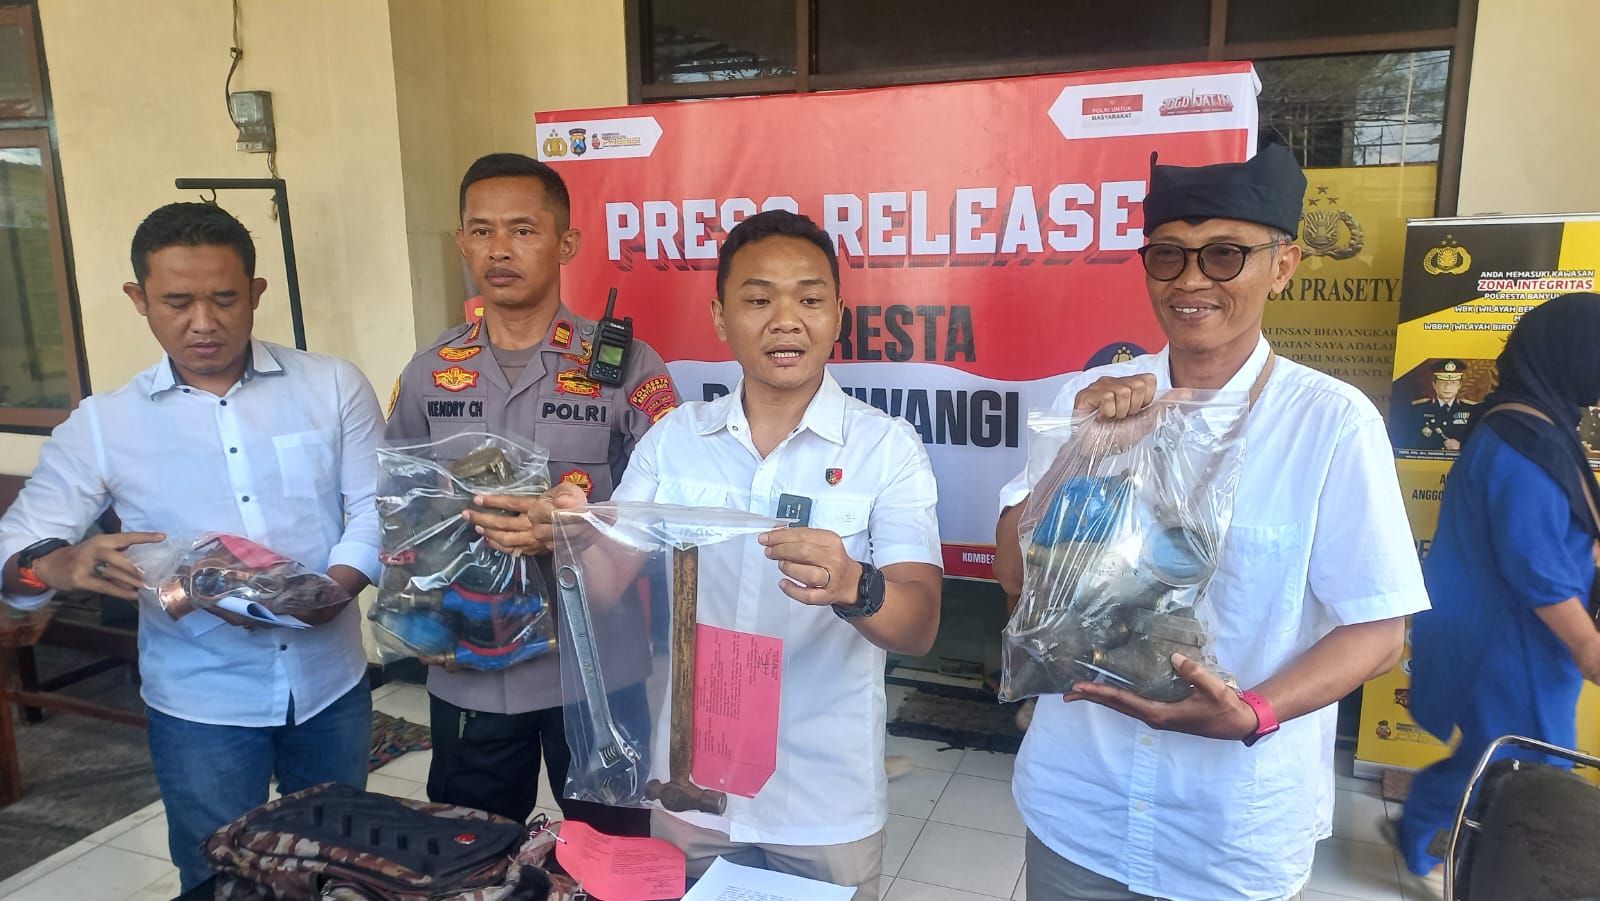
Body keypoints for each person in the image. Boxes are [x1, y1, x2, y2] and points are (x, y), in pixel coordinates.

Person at [993, 143, 1429, 901]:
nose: (1192, 280)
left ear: (1283, 265)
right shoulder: (1090, 399)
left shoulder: (1330, 424)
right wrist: (1083, 453)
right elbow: (1013, 575)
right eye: (1169, 255)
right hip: (1081, 805)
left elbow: (1378, 631)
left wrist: (1254, 712)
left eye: (1225, 254)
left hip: (1229, 830)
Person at [0, 202, 380, 891]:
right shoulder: (105, 424)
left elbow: (376, 507)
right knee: (216, 876)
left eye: (225, 298)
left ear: (256, 293)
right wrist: (60, 562)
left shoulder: (331, 385)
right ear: (138, 299)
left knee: (336, 868)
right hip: (201, 703)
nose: (203, 322)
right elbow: (15, 553)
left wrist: (329, 594)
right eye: (176, 302)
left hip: (330, 685)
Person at [580, 209, 942, 899]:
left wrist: (855, 584)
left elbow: (919, 623)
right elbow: (602, 581)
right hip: (690, 790)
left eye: (809, 299)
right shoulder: (674, 440)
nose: (786, 321)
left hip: (823, 798)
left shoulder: (886, 448)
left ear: (838, 316)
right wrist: (561, 537)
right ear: (720, 317)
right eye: (758, 300)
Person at [385, 152, 678, 835]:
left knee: (613, 856)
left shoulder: (627, 368)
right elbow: (400, 505)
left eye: (522, 230)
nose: (499, 249)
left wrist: (580, 527)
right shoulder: (431, 372)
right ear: (462, 242)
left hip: (597, 668)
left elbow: (665, 510)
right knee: (471, 852)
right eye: (481, 231)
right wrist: (413, 615)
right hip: (471, 666)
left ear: (565, 243)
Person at [1396, 293, 1600, 878]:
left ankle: (1423, 832)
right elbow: (1534, 566)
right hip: (1512, 641)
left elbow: (1556, 528)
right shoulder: (1522, 441)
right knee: (1527, 762)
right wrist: (1588, 646)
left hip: (1522, 636)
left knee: (1505, 752)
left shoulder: (1537, 423)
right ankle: (1460, 853)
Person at [1402, 358, 1477, 451]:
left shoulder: (1471, 409)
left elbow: (1478, 443)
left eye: (1453, 382)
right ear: (1434, 384)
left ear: (1460, 385)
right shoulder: (1419, 408)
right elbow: (1408, 441)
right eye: (1443, 382)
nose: (1447, 387)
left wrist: (1461, 446)